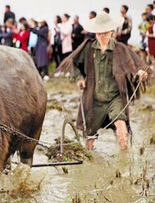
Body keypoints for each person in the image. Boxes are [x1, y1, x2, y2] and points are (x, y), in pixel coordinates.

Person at [58, 12, 149, 150]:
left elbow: (137, 66)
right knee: (89, 140)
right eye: (99, 33)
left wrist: (140, 73)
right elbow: (73, 63)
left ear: (111, 32)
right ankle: (90, 163)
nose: (102, 36)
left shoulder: (120, 49)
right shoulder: (88, 47)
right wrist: (79, 78)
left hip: (115, 98)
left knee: (122, 132)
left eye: (105, 33)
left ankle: (124, 166)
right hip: (93, 99)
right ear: (95, 33)